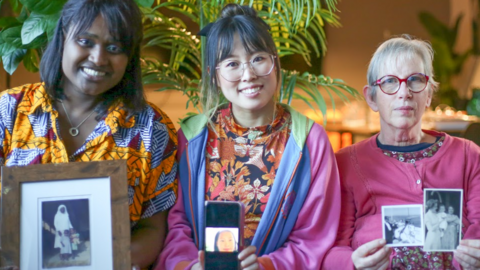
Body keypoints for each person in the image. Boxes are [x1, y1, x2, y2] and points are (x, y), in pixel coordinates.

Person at [156, 3, 341, 270]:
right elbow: (177, 223)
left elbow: (314, 236)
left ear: (275, 63)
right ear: (214, 75)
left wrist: (268, 265)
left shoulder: (310, 141)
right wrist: (187, 266)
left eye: (258, 58)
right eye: (232, 63)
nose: (248, 74)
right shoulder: (193, 137)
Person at [0, 0, 177, 268]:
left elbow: (153, 229)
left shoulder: (152, 129)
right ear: (63, 37)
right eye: (85, 41)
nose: (98, 58)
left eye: (115, 47)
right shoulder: (9, 111)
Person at [322, 35, 480, 270]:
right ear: (371, 97)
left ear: (428, 95)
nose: (404, 92)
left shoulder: (468, 155)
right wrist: (352, 263)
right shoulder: (346, 163)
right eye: (389, 82)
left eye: (415, 80)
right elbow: (328, 250)